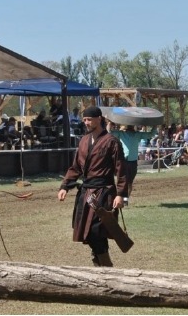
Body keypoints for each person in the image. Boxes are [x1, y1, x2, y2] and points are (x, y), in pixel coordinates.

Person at [57, 105, 127, 267]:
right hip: (86, 193)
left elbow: (121, 170)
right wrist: (65, 186)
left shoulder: (112, 142)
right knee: (87, 232)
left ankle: (107, 267)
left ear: (99, 119)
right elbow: (75, 167)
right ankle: (99, 264)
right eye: (85, 119)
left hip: (104, 192)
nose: (86, 123)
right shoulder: (83, 141)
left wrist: (121, 195)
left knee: (97, 230)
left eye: (89, 119)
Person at [109, 123, 154, 203]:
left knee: (129, 182)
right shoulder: (121, 133)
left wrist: (155, 126)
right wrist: (110, 123)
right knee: (121, 181)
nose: (129, 126)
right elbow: (109, 132)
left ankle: (125, 199)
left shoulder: (138, 134)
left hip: (132, 162)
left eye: (131, 124)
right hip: (123, 161)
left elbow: (151, 134)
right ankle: (118, 198)